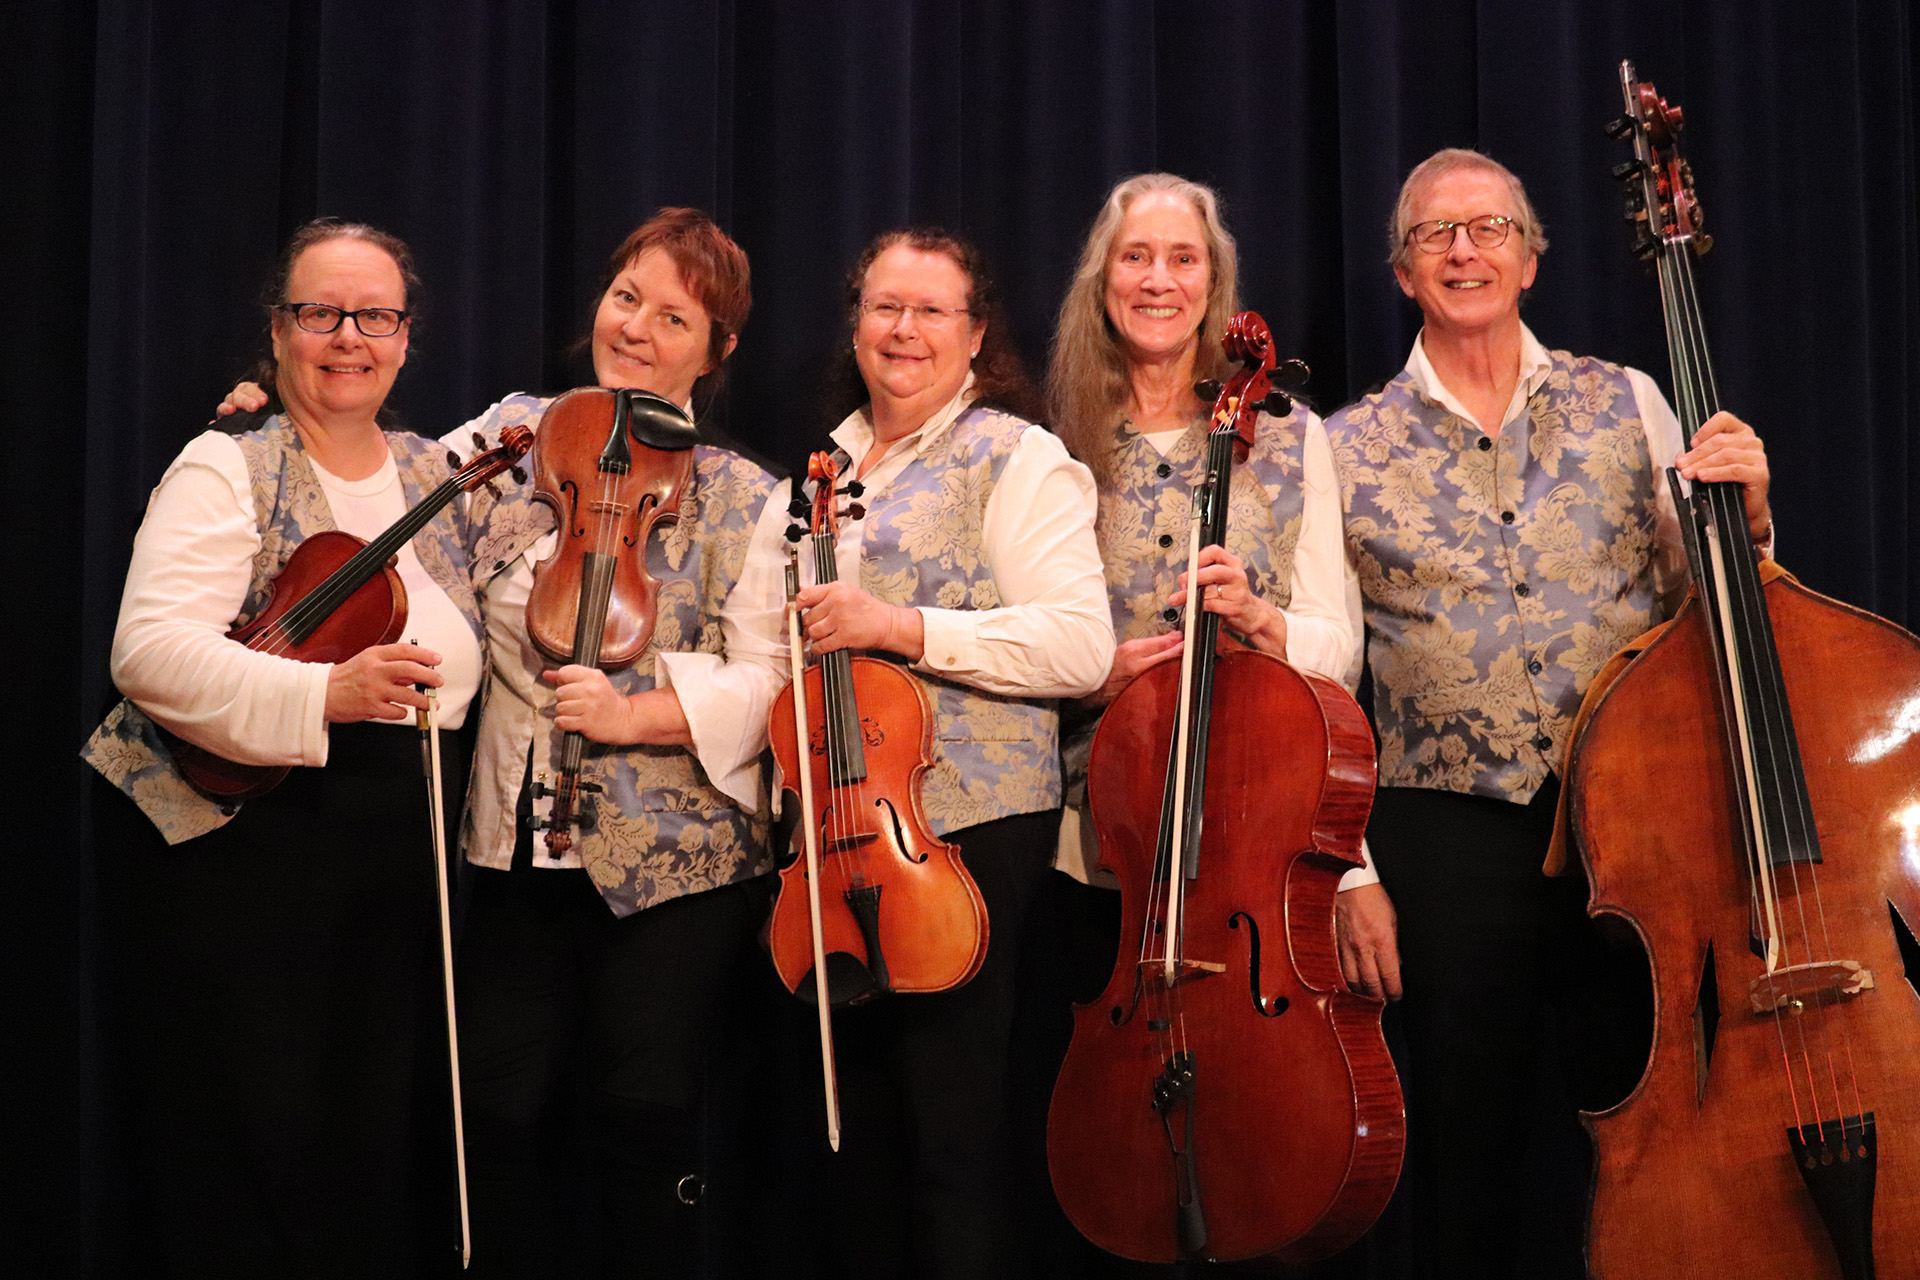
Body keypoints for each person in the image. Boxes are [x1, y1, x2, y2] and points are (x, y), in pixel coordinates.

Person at [221, 207, 790, 1278]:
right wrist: (283, 418)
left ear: (715, 350)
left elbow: (769, 677)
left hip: (676, 864)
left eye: (675, 316)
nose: (638, 327)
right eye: (627, 296)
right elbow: (376, 482)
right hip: (517, 842)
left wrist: (639, 712)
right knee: (490, 1110)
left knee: (644, 1110)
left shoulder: (747, 497)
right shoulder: (520, 433)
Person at [1324, 148, 1772, 1278]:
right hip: (1447, 833)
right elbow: (1323, 671)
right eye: (1437, 234)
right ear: (1400, 270)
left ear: (1531, 257)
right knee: (1466, 1146)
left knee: (1653, 1119)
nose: (1464, 250)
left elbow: (1701, 604)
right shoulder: (1338, 445)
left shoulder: (1628, 396)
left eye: (1488, 229)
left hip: (1633, 810)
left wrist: (1749, 521)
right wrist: (1351, 871)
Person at [83, 218, 481, 1275]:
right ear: (278, 329)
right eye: (319, 312)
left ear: (406, 337)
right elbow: (149, 653)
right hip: (241, 848)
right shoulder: (227, 462)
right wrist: (325, 690)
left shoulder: (437, 472)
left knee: (358, 1157)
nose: (347, 336)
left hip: (390, 860)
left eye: (375, 315)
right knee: (250, 1156)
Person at [793, 226, 1115, 1279]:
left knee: (956, 1140)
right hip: (838, 843)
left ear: (976, 334)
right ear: (856, 320)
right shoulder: (822, 469)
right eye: (886, 305)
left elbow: (1078, 644)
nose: (905, 329)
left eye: (933, 310)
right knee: (855, 1153)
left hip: (971, 837)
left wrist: (899, 625)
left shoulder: (1017, 457)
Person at [1045, 171, 1383, 988]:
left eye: (1183, 259)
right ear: (1103, 281)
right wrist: (1093, 677)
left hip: (1259, 811)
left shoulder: (1293, 439)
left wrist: (1262, 620)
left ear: (1213, 283)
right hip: (1094, 838)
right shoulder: (1052, 445)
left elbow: (1338, 655)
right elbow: (1023, 649)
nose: (1159, 280)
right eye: (1136, 258)